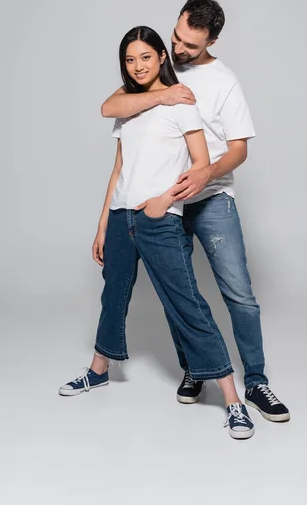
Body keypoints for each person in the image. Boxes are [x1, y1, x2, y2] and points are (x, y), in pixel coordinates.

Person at [59, 26, 255, 440]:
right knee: (113, 295)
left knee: (187, 302)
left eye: (145, 57)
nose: (138, 66)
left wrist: (165, 200)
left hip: (157, 217)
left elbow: (201, 165)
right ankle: (98, 371)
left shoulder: (183, 102)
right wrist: (101, 224)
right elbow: (119, 168)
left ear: (162, 57)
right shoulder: (129, 106)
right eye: (130, 60)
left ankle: (233, 401)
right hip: (119, 217)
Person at [101, 0, 290, 423]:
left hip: (209, 199)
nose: (180, 49)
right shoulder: (157, 65)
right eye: (176, 37)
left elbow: (239, 148)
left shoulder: (223, 81)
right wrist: (164, 92)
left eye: (190, 45)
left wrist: (205, 175)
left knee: (238, 291)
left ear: (212, 41)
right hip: (161, 202)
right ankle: (195, 370)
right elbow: (112, 106)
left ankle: (256, 380)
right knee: (177, 292)